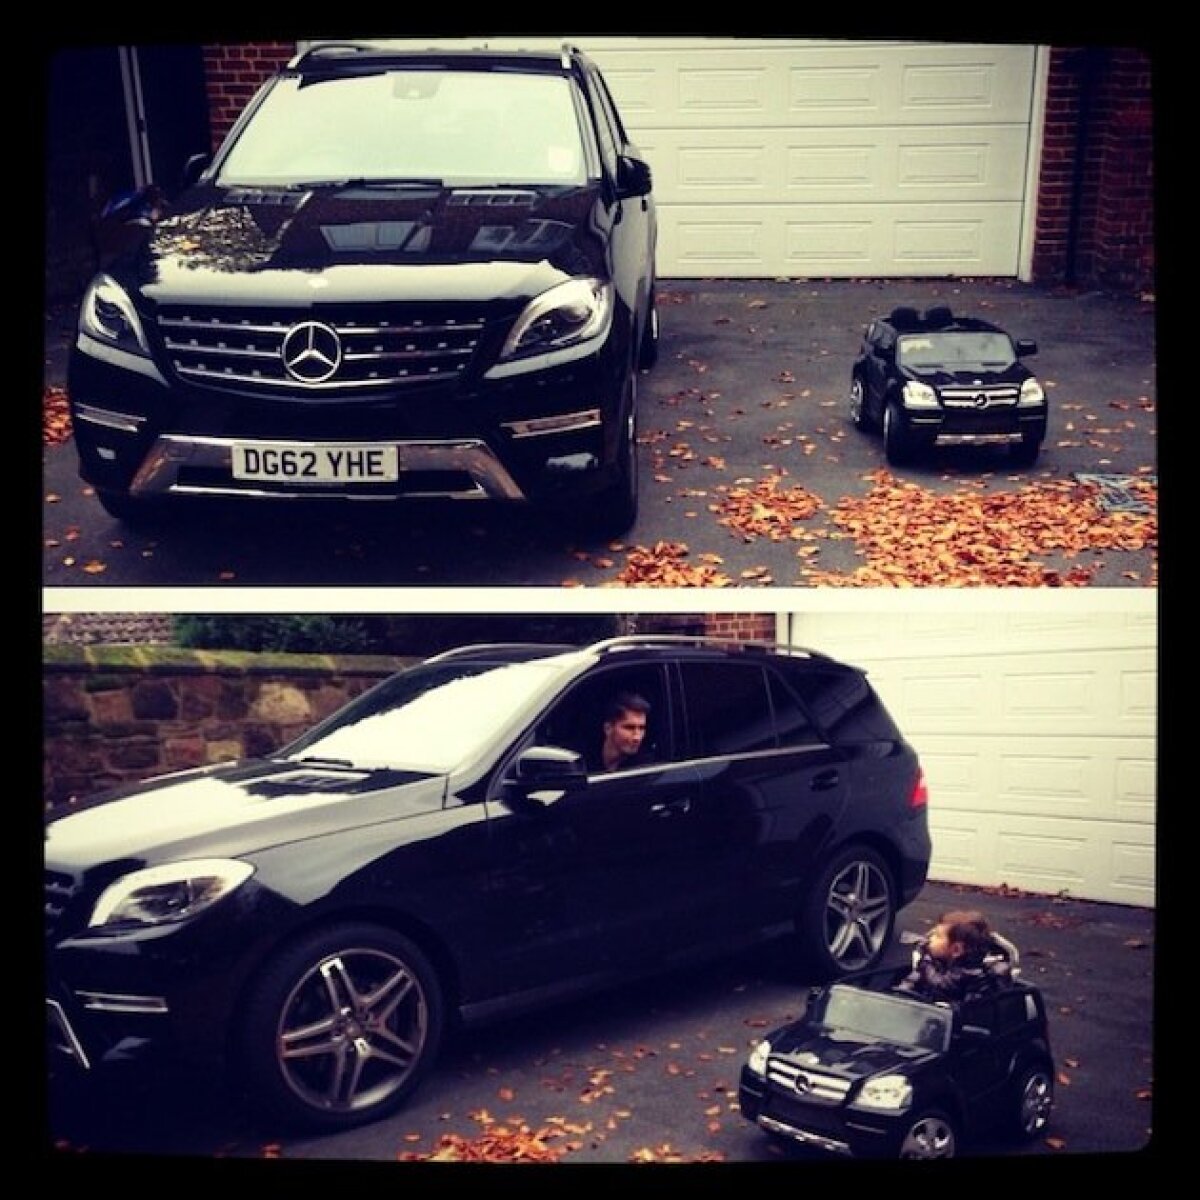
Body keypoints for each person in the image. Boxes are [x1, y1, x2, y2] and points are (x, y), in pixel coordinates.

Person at [896, 909, 1014, 1005]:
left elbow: (941, 985)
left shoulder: (972, 973)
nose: (930, 939)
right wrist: (902, 991)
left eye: (937, 936)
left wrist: (925, 963)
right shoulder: (938, 961)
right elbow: (913, 979)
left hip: (959, 1024)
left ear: (956, 950)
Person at [590, 692, 651, 773]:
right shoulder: (585, 760)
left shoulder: (645, 766)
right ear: (608, 728)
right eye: (629, 728)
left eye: (641, 728)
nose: (637, 737)